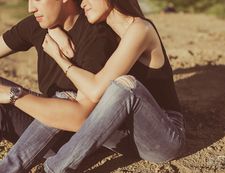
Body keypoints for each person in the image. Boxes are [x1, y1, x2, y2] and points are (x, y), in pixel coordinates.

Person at [1, 0, 186, 172]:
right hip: (121, 132)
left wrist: (59, 58)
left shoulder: (140, 29)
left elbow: (96, 91)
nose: (82, 3)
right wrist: (53, 29)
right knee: (66, 99)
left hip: (162, 136)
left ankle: (57, 168)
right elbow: (65, 12)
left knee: (124, 87)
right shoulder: (106, 28)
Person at [0, 0, 117, 171]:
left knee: (64, 97)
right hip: (42, 125)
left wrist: (14, 94)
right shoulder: (39, 23)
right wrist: (52, 29)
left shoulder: (96, 35)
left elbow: (81, 117)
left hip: (76, 139)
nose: (30, 8)